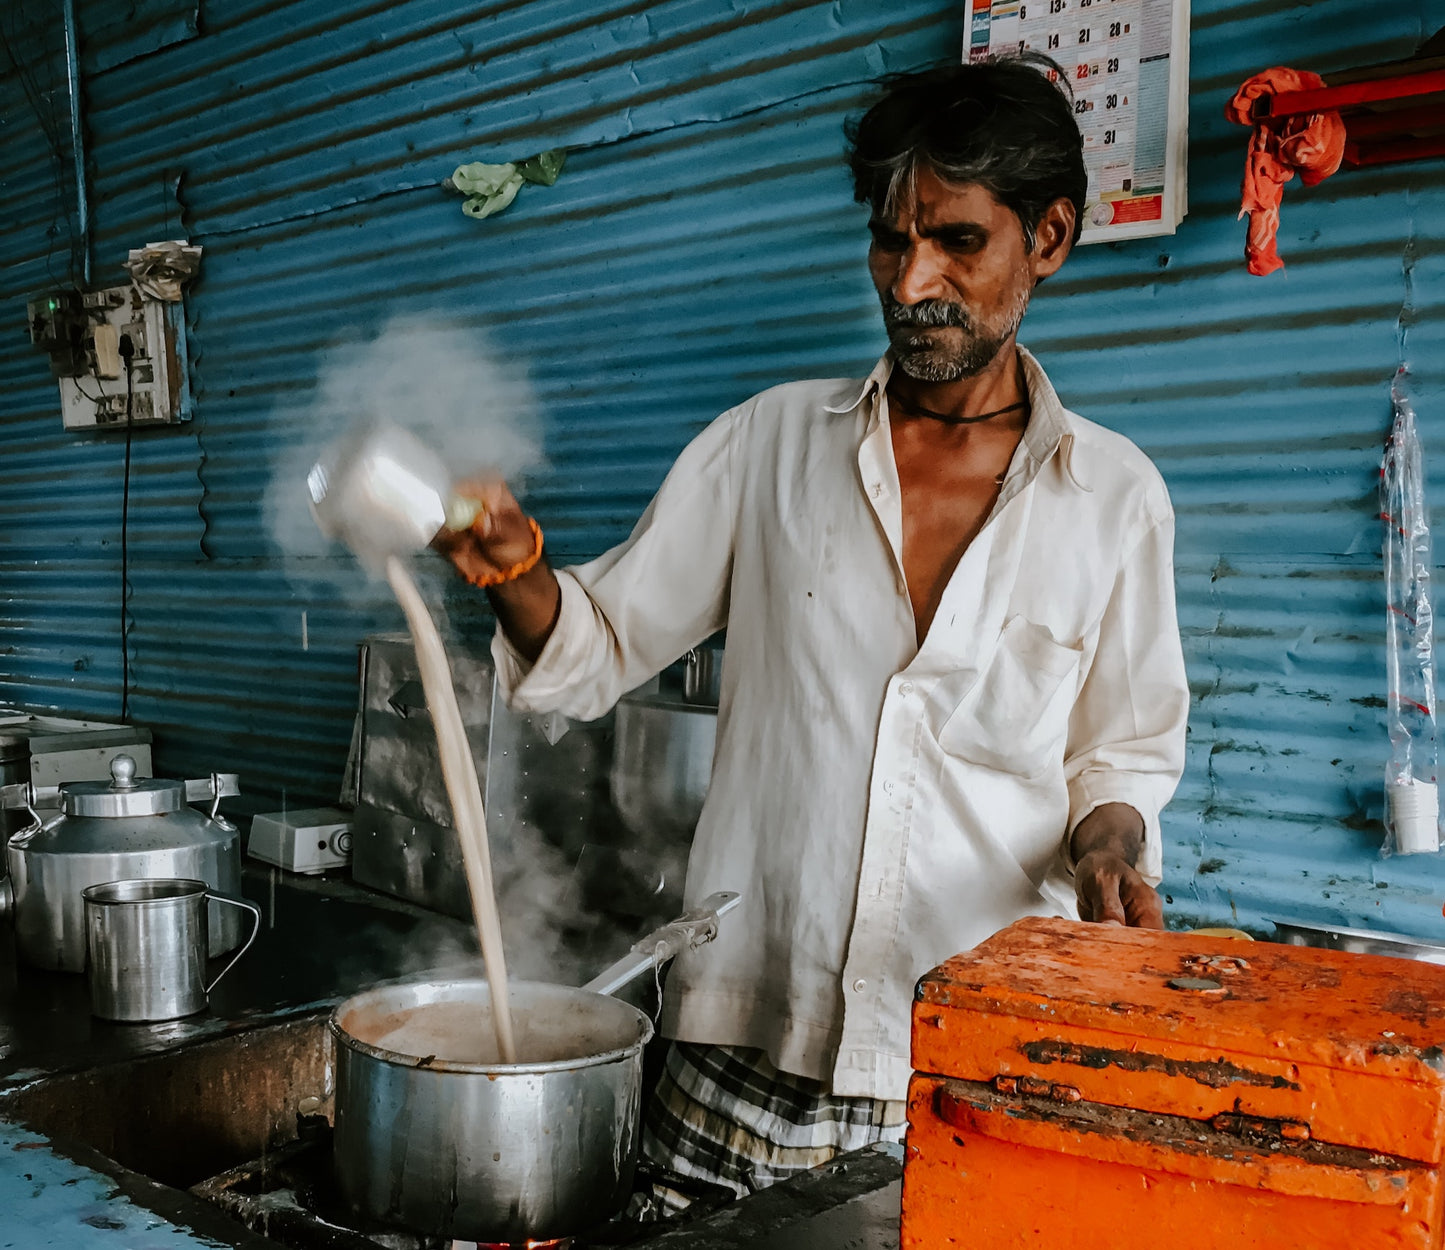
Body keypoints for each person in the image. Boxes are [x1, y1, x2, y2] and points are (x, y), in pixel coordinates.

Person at [436, 55, 1189, 1198]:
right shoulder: (769, 446)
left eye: (957, 241)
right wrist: (515, 571)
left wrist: (1109, 849)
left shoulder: (1114, 497)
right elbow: (594, 646)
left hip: (959, 1067)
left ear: (1048, 237)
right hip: (741, 1042)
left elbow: (1118, 753)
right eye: (890, 241)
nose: (911, 279)